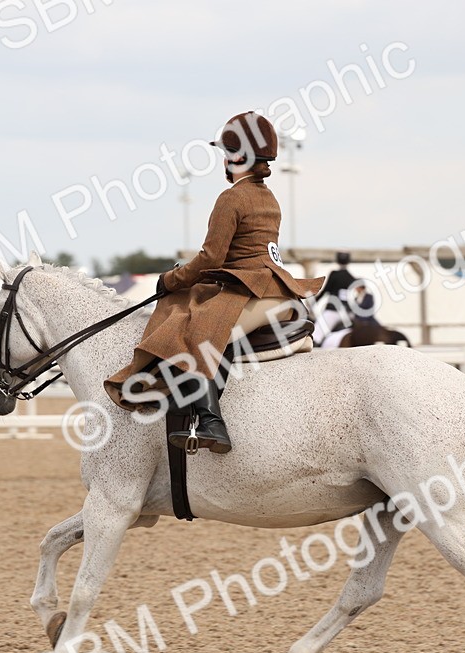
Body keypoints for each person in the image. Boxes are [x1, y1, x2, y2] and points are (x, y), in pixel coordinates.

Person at [104, 111, 323, 454]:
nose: (223, 159)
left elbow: (210, 258)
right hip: (278, 286)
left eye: (226, 152)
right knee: (193, 310)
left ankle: (209, 421)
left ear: (237, 157)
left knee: (194, 333)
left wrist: (171, 278)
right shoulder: (268, 197)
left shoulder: (232, 198)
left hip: (254, 289)